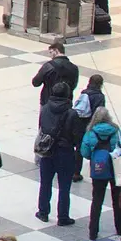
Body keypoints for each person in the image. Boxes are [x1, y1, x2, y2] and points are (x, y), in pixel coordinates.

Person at [80, 106, 121, 241]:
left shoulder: (90, 133)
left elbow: (84, 152)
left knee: (97, 200)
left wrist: (94, 156)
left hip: (98, 169)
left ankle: (93, 231)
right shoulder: (116, 131)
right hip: (115, 169)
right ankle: (120, 228)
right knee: (118, 199)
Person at [35, 80, 77, 226]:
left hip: (47, 151)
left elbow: (41, 127)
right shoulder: (72, 113)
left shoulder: (45, 108)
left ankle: (43, 212)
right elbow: (77, 136)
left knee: (45, 183)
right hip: (65, 153)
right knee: (64, 186)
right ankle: (63, 216)